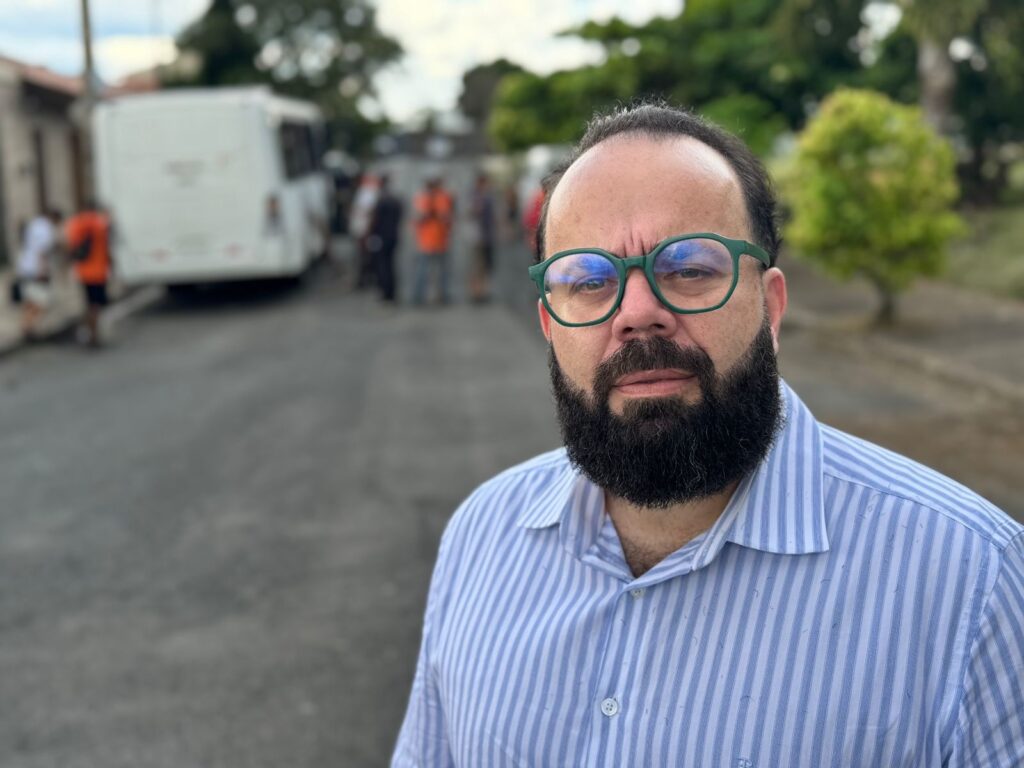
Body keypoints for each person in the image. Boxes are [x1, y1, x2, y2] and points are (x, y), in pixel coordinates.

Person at [392, 103, 1024, 767]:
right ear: (551, 326)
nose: (638, 314)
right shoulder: (479, 536)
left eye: (690, 269)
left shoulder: (973, 582)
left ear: (771, 307)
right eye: (587, 280)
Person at [65, 201, 112, 348]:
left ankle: (88, 330)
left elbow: (70, 245)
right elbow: (107, 244)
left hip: (83, 270)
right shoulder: (100, 223)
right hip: (98, 270)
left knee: (88, 302)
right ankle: (93, 333)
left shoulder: (75, 223)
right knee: (96, 305)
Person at [15, 209, 61, 340]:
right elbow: (42, 252)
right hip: (36, 269)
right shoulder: (47, 229)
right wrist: (43, 271)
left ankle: (28, 327)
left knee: (30, 299)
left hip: (24, 266)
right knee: (40, 301)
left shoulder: (35, 224)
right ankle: (27, 327)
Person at [412, 177, 455, 306]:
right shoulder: (424, 198)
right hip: (429, 240)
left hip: (437, 240)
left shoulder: (442, 197)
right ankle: (421, 296)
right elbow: (419, 218)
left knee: (440, 271)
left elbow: (447, 218)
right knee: (425, 270)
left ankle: (439, 295)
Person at [367, 173, 403, 304]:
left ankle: (386, 294)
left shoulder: (381, 200)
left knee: (383, 266)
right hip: (392, 236)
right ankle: (391, 293)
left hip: (382, 237)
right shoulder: (396, 200)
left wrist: (370, 234)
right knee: (390, 265)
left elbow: (374, 220)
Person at [467, 173, 496, 303]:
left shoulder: (485, 196)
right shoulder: (477, 196)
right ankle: (477, 292)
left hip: (486, 236)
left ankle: (481, 291)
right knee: (478, 266)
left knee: (484, 266)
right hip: (479, 237)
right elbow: (473, 213)